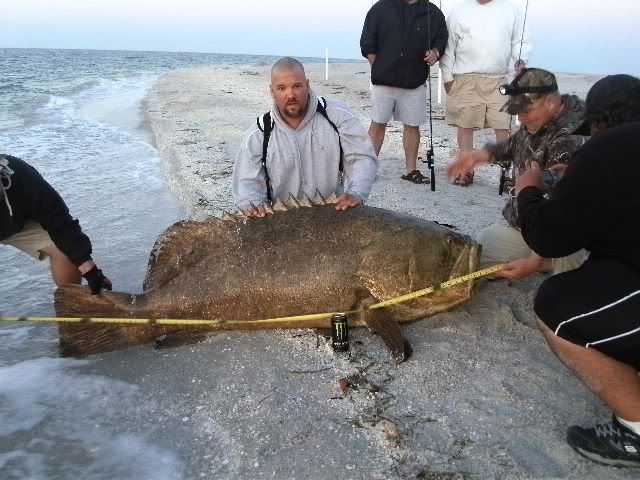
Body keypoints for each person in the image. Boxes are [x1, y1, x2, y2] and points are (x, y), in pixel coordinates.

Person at [514, 74, 640, 468]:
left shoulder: (610, 146)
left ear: (601, 121)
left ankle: (634, 431)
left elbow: (550, 238)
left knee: (558, 305)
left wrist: (529, 190)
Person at [447, 68, 587, 278]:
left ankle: (551, 262)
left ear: (549, 101)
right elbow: (515, 145)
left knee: (563, 282)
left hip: (564, 231)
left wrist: (533, 262)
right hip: (527, 225)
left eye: (525, 110)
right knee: (480, 250)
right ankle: (545, 259)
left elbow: (562, 197)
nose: (521, 118)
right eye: (517, 111)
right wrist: (476, 156)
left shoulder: (571, 135)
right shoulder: (539, 119)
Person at [232, 57, 378, 217]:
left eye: (297, 86)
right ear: (272, 91)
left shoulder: (338, 115)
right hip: (280, 219)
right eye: (281, 88)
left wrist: (357, 192)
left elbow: (362, 157)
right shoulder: (259, 133)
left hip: (334, 212)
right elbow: (246, 182)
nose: (291, 95)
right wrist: (252, 207)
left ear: (307, 85)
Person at [439, 0, 531, 186]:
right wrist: (447, 77)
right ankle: (465, 170)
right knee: (465, 125)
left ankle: (506, 174)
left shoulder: (511, 9)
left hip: (498, 78)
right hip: (464, 76)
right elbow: (449, 46)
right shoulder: (459, 10)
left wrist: (521, 61)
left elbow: (519, 40)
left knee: (503, 126)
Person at [360, 0, 447, 184]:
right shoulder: (381, 7)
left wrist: (435, 52)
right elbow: (368, 41)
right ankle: (367, 168)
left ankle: (411, 170)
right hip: (383, 80)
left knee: (412, 125)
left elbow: (441, 39)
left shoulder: (433, 12)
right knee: (377, 124)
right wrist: (377, 65)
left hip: (414, 81)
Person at [0, 154, 112, 295]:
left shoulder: (21, 175)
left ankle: (70, 304)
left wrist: (91, 271)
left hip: (13, 219)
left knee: (65, 251)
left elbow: (60, 222)